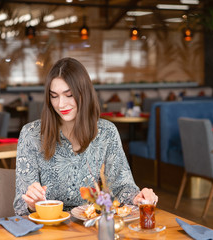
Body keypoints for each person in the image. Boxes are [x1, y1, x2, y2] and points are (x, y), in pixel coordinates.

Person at [13, 57, 158, 215]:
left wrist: (138, 197)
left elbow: (122, 187)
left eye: (69, 95)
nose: (61, 104)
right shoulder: (31, 134)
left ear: (84, 93)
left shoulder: (106, 132)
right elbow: (21, 205)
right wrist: (32, 204)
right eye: (54, 96)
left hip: (93, 226)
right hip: (48, 229)